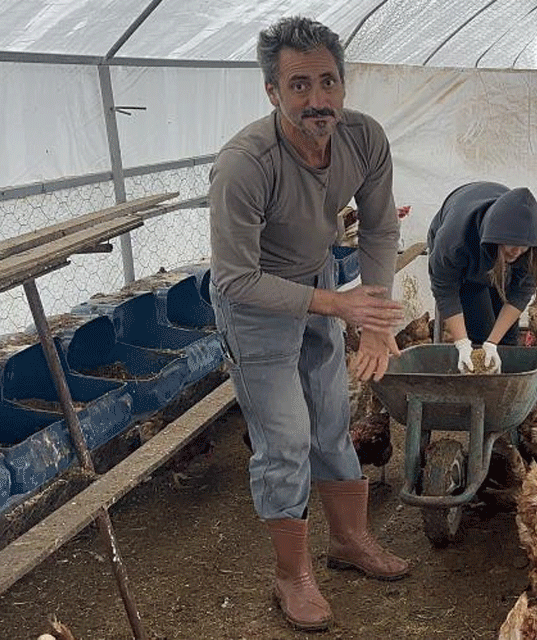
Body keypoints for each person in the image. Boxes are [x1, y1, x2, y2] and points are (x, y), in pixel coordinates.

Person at [207, 16, 409, 632]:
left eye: (328, 81)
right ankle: (289, 575)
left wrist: (374, 321)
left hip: (319, 284)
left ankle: (349, 541)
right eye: (299, 86)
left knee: (332, 422)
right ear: (272, 92)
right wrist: (338, 307)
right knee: (286, 438)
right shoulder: (244, 165)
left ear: (343, 84)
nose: (317, 99)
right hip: (255, 307)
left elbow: (379, 228)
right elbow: (233, 279)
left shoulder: (364, 138)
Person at [427, 182, 537, 371]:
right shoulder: (454, 240)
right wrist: (462, 343)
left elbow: (520, 294)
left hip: (497, 259)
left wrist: (493, 344)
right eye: (511, 243)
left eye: (523, 245)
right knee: (480, 327)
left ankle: (505, 386)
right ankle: (478, 385)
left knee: (507, 339)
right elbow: (445, 289)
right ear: (498, 234)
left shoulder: (532, 247)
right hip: (467, 255)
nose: (517, 250)